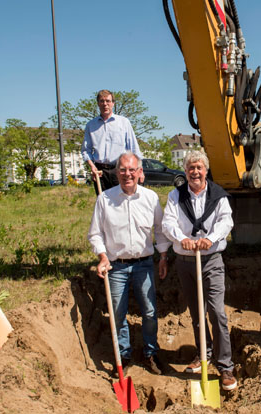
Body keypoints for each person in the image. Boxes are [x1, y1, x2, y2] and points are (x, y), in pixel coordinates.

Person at [88, 151, 170, 375]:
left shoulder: (150, 198)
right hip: (117, 266)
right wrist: (103, 256)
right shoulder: (105, 199)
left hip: (144, 264)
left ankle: (150, 353)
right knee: (117, 314)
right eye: (122, 170)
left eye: (132, 170)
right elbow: (95, 234)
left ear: (140, 172)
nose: (127, 174)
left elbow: (160, 231)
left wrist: (163, 256)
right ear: (116, 173)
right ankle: (122, 357)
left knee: (150, 312)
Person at [162, 150, 238, 391]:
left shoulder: (218, 195)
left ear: (206, 170)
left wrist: (212, 238)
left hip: (211, 259)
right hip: (185, 261)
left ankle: (225, 366)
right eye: (190, 168)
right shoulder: (176, 195)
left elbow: (226, 221)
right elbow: (167, 223)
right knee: (196, 313)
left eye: (199, 167)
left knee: (217, 312)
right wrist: (181, 238)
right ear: (185, 172)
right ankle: (203, 354)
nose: (195, 172)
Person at [81, 90, 144, 194]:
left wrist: (140, 170)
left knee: (123, 200)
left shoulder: (123, 122)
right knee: (103, 203)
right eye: (102, 101)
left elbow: (133, 148)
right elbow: (86, 150)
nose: (105, 104)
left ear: (113, 103)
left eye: (108, 101)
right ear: (98, 103)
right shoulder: (91, 125)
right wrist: (92, 166)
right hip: (100, 172)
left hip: (120, 170)